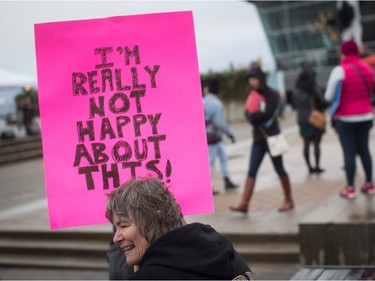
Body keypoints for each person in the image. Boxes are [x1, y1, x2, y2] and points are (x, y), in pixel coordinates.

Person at [106, 177, 253, 280]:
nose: (116, 237)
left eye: (124, 225)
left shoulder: (151, 276)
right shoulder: (223, 250)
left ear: (155, 220)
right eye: (115, 227)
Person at [229, 65, 294, 214]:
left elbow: (266, 113)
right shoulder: (252, 93)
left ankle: (289, 200)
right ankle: (244, 203)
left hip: (272, 138)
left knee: (279, 169)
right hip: (258, 139)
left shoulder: (272, 94)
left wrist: (254, 116)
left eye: (253, 78)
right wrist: (253, 116)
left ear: (260, 78)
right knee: (252, 170)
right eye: (250, 79)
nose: (251, 82)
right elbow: (247, 113)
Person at [324, 39, 375, 198]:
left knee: (349, 152)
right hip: (366, 115)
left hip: (346, 118)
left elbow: (328, 96)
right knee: (364, 149)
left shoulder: (340, 70)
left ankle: (350, 187)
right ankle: (369, 184)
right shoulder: (368, 68)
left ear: (343, 53)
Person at [203, 79, 238, 194]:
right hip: (213, 135)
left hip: (207, 135)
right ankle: (208, 187)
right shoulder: (216, 103)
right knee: (211, 161)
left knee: (223, 156)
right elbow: (219, 123)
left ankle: (227, 180)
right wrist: (230, 134)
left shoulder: (203, 101)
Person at [293, 62, 328, 174]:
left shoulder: (296, 89)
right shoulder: (313, 87)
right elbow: (323, 102)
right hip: (315, 119)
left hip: (302, 119)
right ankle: (317, 166)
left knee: (306, 144)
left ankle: (309, 167)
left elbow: (294, 105)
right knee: (316, 144)